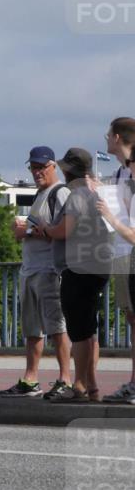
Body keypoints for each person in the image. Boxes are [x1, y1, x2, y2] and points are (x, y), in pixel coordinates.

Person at [34, 148, 111, 402]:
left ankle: (80, 385)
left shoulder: (77, 194)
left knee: (78, 331)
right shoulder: (98, 190)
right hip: (100, 264)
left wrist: (46, 229)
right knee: (89, 329)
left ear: (70, 169)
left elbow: (64, 230)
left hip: (77, 268)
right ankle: (93, 387)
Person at [0, 146, 71, 398]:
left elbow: (65, 230)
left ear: (53, 166)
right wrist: (23, 228)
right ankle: (31, 378)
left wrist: (27, 231)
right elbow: (40, 227)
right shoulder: (40, 194)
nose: (37, 172)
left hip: (49, 269)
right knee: (32, 328)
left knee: (56, 326)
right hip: (30, 269)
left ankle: (65, 378)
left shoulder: (60, 193)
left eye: (41, 167)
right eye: (33, 167)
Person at [99, 117, 135, 403]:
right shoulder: (123, 173)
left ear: (120, 137)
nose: (105, 137)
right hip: (122, 253)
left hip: (131, 252)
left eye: (109, 134)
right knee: (131, 320)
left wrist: (109, 214)